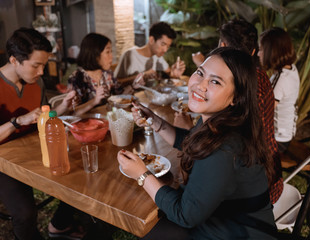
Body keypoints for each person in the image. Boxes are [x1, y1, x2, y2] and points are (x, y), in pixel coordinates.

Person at [118, 47, 277, 239]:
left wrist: (142, 175)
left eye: (215, 81)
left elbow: (184, 215)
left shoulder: (225, 148)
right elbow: (191, 142)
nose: (200, 85)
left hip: (238, 233)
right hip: (221, 220)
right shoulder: (221, 120)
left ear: (236, 97)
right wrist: (155, 121)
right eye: (200, 73)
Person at [0, 28, 81, 240]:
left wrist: (63, 107)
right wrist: (17, 122)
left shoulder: (35, 82)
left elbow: (42, 116)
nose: (41, 72)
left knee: (79, 177)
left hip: (32, 148)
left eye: (44, 65)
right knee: (25, 213)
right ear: (14, 60)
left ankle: (59, 224)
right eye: (36, 65)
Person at [183, 19, 282, 204]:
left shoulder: (228, 141)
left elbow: (189, 211)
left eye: (215, 81)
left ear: (223, 46)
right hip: (270, 170)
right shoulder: (259, 76)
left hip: (257, 192)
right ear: (253, 52)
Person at [67, 33, 144, 116]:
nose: (112, 56)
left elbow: (119, 97)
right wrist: (95, 100)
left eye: (111, 51)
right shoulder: (77, 78)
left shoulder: (107, 74)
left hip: (108, 119)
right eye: (107, 52)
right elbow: (72, 112)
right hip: (87, 125)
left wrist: (133, 86)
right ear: (94, 54)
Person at [258, 27, 300, 153]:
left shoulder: (281, 79)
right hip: (286, 134)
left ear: (272, 52)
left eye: (261, 49)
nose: (259, 54)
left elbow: (263, 113)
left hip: (277, 140)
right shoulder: (290, 69)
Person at [114, 21, 185, 84]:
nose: (165, 50)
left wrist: (174, 74)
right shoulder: (130, 55)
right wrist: (143, 75)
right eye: (163, 44)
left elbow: (169, 73)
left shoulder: (157, 56)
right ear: (151, 40)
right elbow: (116, 82)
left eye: (168, 46)